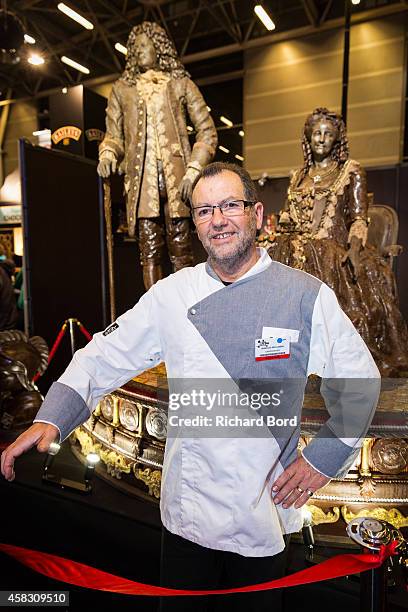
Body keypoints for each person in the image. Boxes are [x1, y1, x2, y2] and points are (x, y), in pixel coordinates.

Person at [1, 162, 380, 611]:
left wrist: (323, 459)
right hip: (187, 517)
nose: (217, 219)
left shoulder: (304, 295)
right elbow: (104, 354)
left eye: (229, 206)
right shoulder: (171, 294)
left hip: (264, 518)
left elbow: (359, 381)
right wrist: (52, 417)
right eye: (203, 211)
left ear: (257, 214)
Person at [268, 107, 408, 377]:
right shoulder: (297, 176)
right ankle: (279, 355)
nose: (321, 139)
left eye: (328, 134)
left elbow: (358, 218)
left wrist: (355, 246)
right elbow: (287, 216)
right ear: (307, 138)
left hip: (329, 250)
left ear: (337, 139)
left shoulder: (350, 171)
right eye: (316, 133)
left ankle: (323, 361)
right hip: (292, 246)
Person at [97, 21, 217, 290]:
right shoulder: (121, 90)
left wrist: (194, 169)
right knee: (148, 250)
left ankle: (186, 307)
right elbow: (113, 135)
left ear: (158, 47)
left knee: (181, 249)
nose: (138, 51)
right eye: (134, 47)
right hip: (142, 188)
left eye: (143, 45)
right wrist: (107, 154)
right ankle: (154, 312)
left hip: (179, 183)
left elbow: (207, 131)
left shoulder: (180, 84)